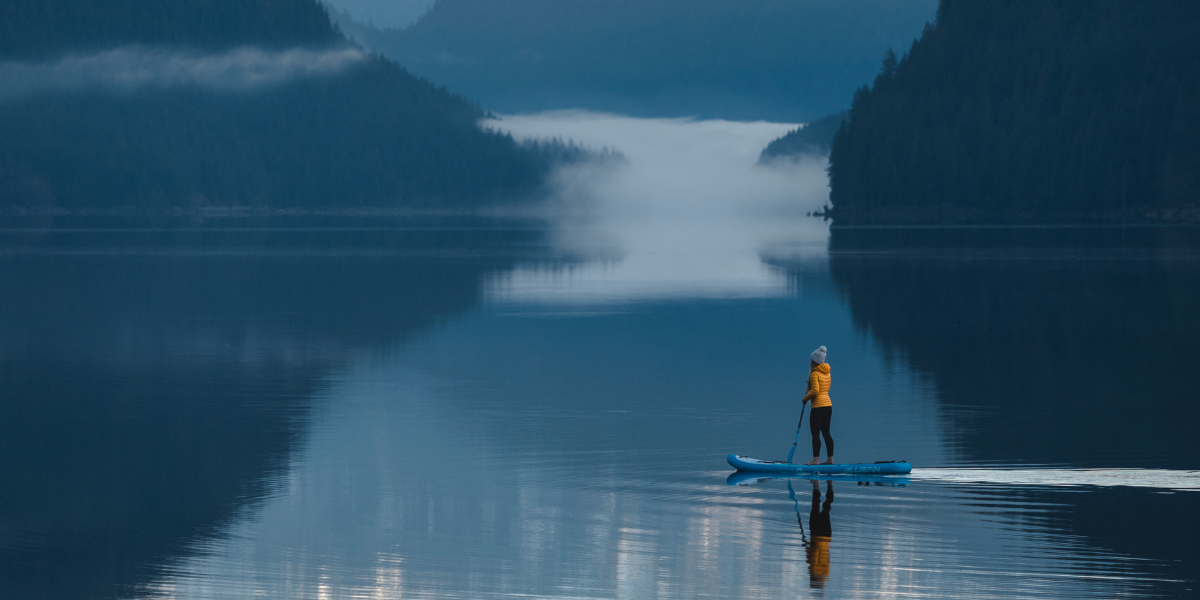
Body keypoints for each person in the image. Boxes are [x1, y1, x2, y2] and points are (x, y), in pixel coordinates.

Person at [802, 345, 833, 466]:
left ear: (814, 361)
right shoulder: (827, 373)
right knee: (826, 432)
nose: (810, 361)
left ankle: (815, 460)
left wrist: (805, 398)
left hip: (818, 407)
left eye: (811, 359)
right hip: (828, 406)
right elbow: (825, 388)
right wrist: (810, 384)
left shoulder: (814, 374)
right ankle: (830, 459)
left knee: (815, 434)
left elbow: (815, 392)